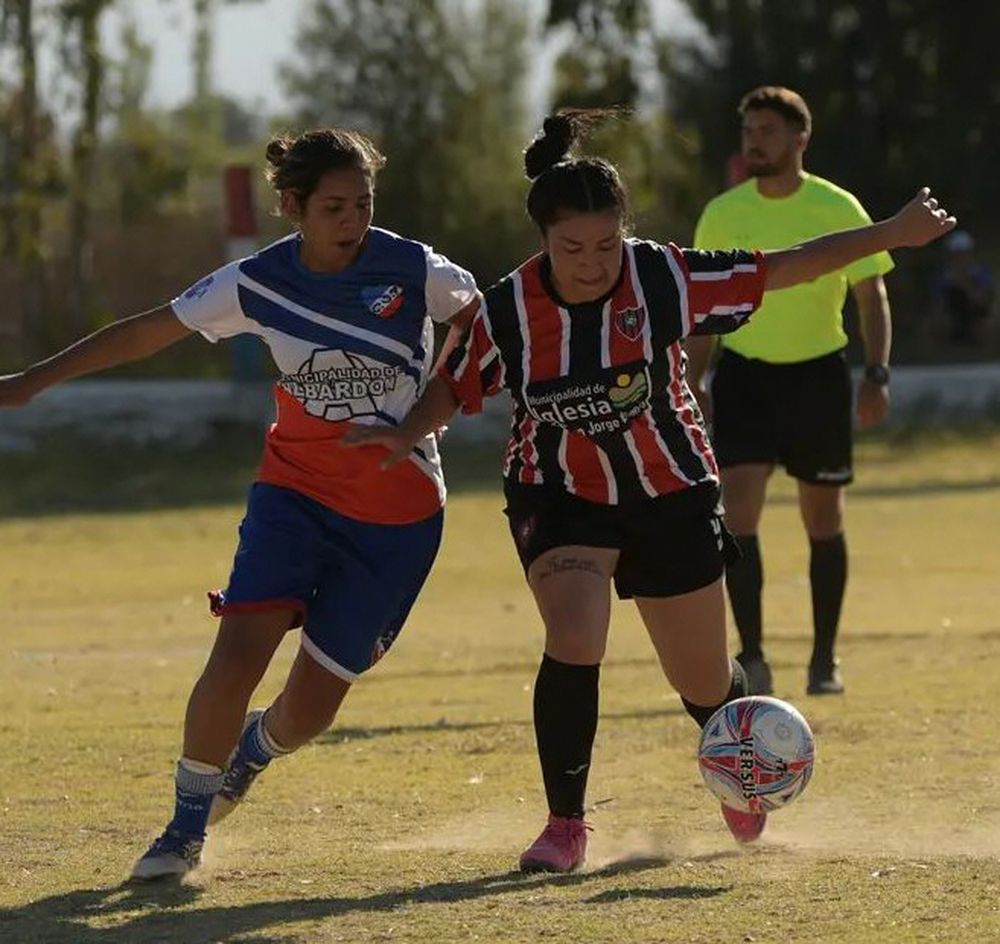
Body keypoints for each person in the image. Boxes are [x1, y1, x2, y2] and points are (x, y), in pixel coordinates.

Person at [345, 108, 955, 873]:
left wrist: (891, 233)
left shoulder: (662, 274)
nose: (593, 262)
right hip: (558, 494)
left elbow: (786, 265)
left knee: (702, 684)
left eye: (606, 244)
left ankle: (740, 771)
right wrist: (406, 434)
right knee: (575, 635)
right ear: (542, 241)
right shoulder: (508, 310)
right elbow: (453, 387)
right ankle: (565, 824)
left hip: (669, 490)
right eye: (572, 248)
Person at [0, 128, 480, 880]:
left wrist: (422, 417)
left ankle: (251, 753)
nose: (352, 219)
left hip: (398, 514)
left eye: (362, 203)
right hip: (294, 492)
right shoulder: (255, 282)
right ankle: (183, 832)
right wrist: (29, 383)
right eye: (332, 207)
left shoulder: (413, 267)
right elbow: (146, 335)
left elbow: (489, 324)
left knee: (311, 712)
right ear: (291, 207)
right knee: (236, 654)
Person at [687, 86, 896, 698]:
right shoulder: (722, 212)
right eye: (749, 130)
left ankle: (823, 659)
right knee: (740, 513)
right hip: (747, 376)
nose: (755, 140)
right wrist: (693, 379)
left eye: (768, 131)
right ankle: (751, 656)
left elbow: (870, 295)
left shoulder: (837, 205)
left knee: (823, 519)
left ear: (800, 139)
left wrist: (877, 373)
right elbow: (704, 308)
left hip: (819, 377)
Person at [931, 229, 994, 349]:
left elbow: (983, 301)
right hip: (951, 316)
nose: (960, 258)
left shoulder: (981, 273)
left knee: (988, 325)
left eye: (963, 253)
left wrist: (963, 282)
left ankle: (987, 357)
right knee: (935, 324)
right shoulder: (942, 276)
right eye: (956, 254)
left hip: (976, 316)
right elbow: (937, 303)